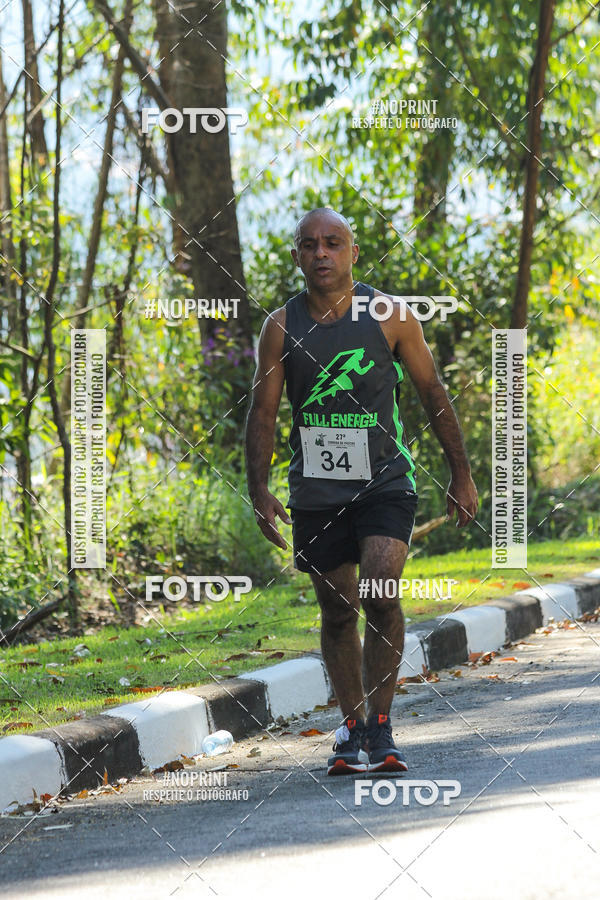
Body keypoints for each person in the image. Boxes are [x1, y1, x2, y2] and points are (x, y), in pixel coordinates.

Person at [244, 207, 478, 775]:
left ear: (352, 252)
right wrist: (259, 487)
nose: (321, 253)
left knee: (378, 589)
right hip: (316, 490)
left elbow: (433, 392)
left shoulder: (390, 315)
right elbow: (265, 411)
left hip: (384, 483)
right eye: (310, 244)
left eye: (333, 243)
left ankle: (382, 725)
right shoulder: (280, 326)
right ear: (297, 254)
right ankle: (351, 728)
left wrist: (462, 472)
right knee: (338, 610)